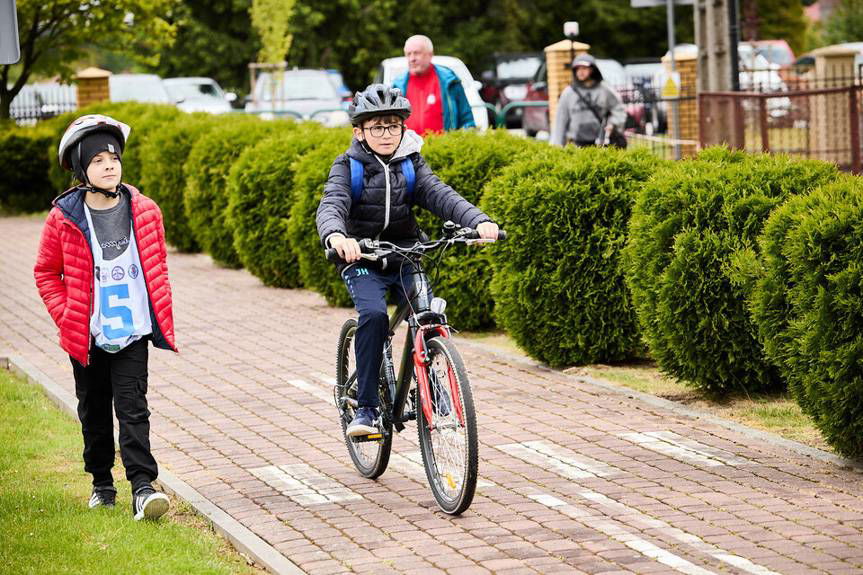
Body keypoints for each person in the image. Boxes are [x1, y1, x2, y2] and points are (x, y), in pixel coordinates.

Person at [316, 84, 498, 436]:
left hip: (405, 253)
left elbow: (441, 195)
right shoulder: (348, 166)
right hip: (362, 255)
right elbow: (332, 204)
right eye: (377, 127)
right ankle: (366, 409)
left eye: (393, 126)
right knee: (371, 316)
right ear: (360, 132)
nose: (386, 134)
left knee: (427, 313)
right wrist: (338, 237)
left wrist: (479, 221)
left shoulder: (411, 163)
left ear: (403, 128)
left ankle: (435, 387)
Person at [34, 114, 176, 521]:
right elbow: (46, 272)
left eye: (113, 157)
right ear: (81, 170)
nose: (109, 165)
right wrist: (67, 316)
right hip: (87, 335)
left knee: (134, 409)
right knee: (94, 411)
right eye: (97, 160)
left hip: (131, 330)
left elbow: (157, 262)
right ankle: (102, 483)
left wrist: (156, 303)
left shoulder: (145, 210)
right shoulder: (64, 217)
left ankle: (143, 488)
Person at [393, 34, 475, 134]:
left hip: (442, 147)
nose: (412, 58)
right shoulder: (397, 85)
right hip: (408, 149)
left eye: (417, 53)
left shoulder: (449, 80)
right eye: (408, 54)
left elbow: (467, 120)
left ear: (430, 54)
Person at [551, 53, 626, 148]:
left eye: (584, 68)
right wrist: (557, 147)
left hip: (600, 143)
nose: (580, 72)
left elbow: (619, 109)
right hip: (576, 144)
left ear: (592, 69)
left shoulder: (604, 90)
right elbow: (560, 121)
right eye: (578, 68)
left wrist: (613, 124)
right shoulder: (568, 93)